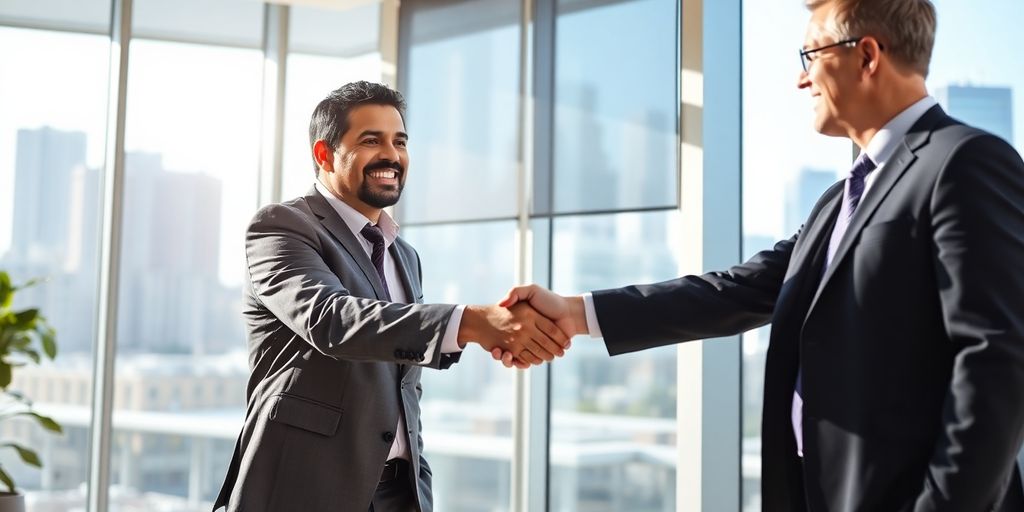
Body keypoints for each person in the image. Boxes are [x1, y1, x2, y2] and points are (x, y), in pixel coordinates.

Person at [497, 0, 1024, 510]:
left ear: (867, 55)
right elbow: (735, 290)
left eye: (811, 57)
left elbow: (996, 363)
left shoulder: (964, 162)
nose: (801, 80)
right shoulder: (838, 201)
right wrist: (575, 312)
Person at [213, 81, 569, 512]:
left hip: (398, 493)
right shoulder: (283, 226)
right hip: (305, 487)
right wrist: (471, 322)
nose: (391, 155)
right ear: (324, 155)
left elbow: (403, 383)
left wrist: (417, 481)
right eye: (371, 140)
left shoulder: (404, 255)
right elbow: (333, 321)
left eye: (400, 141)